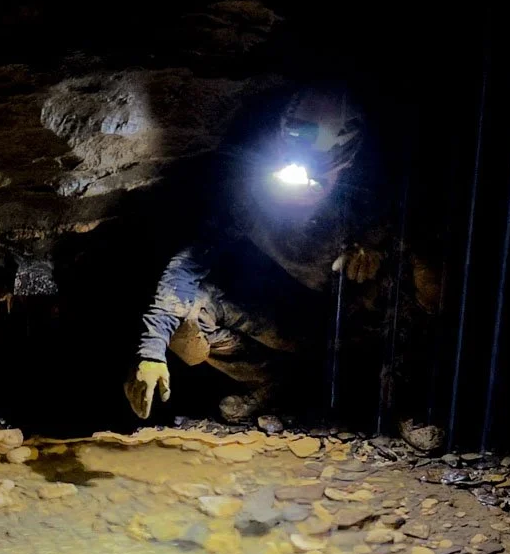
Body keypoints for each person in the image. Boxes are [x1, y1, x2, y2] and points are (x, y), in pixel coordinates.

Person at [126, 87, 382, 422]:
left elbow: (430, 297)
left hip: (351, 332)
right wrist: (152, 351)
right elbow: (188, 266)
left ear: (346, 162)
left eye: (317, 174)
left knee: (412, 289)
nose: (303, 182)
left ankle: (396, 399)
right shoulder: (254, 197)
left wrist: (376, 259)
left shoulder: (369, 211)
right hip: (284, 322)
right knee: (189, 315)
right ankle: (270, 385)